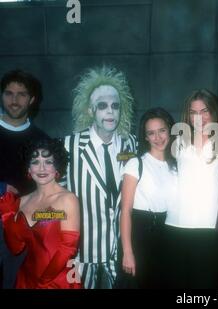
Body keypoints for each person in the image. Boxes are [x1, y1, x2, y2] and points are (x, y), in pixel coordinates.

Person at [62, 66, 137, 289]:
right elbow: (53, 199)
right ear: (90, 111)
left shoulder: (131, 144)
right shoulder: (69, 146)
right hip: (81, 253)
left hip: (120, 252)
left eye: (115, 106)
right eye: (102, 106)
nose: (110, 112)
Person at [164, 89, 218, 288]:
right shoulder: (176, 143)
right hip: (176, 225)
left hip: (211, 228)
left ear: (214, 112)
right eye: (193, 112)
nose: (199, 118)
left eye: (204, 111)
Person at [0, 138, 81, 289]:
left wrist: (44, 282)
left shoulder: (67, 200)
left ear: (57, 167)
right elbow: (16, 247)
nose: (42, 168)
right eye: (35, 162)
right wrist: (7, 217)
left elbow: (68, 248)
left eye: (48, 161)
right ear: (28, 169)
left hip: (59, 279)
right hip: (26, 278)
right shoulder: (22, 201)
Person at [0, 69, 49, 288]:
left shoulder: (41, 140)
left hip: (24, 228)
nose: (14, 100)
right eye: (9, 93)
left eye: (21, 94)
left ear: (31, 99)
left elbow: (49, 192)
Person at [119, 107, 177, 288]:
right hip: (141, 234)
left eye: (162, 131)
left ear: (170, 130)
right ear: (145, 137)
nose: (158, 138)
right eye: (151, 133)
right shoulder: (136, 163)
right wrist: (128, 252)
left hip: (169, 233)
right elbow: (125, 211)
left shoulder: (177, 165)